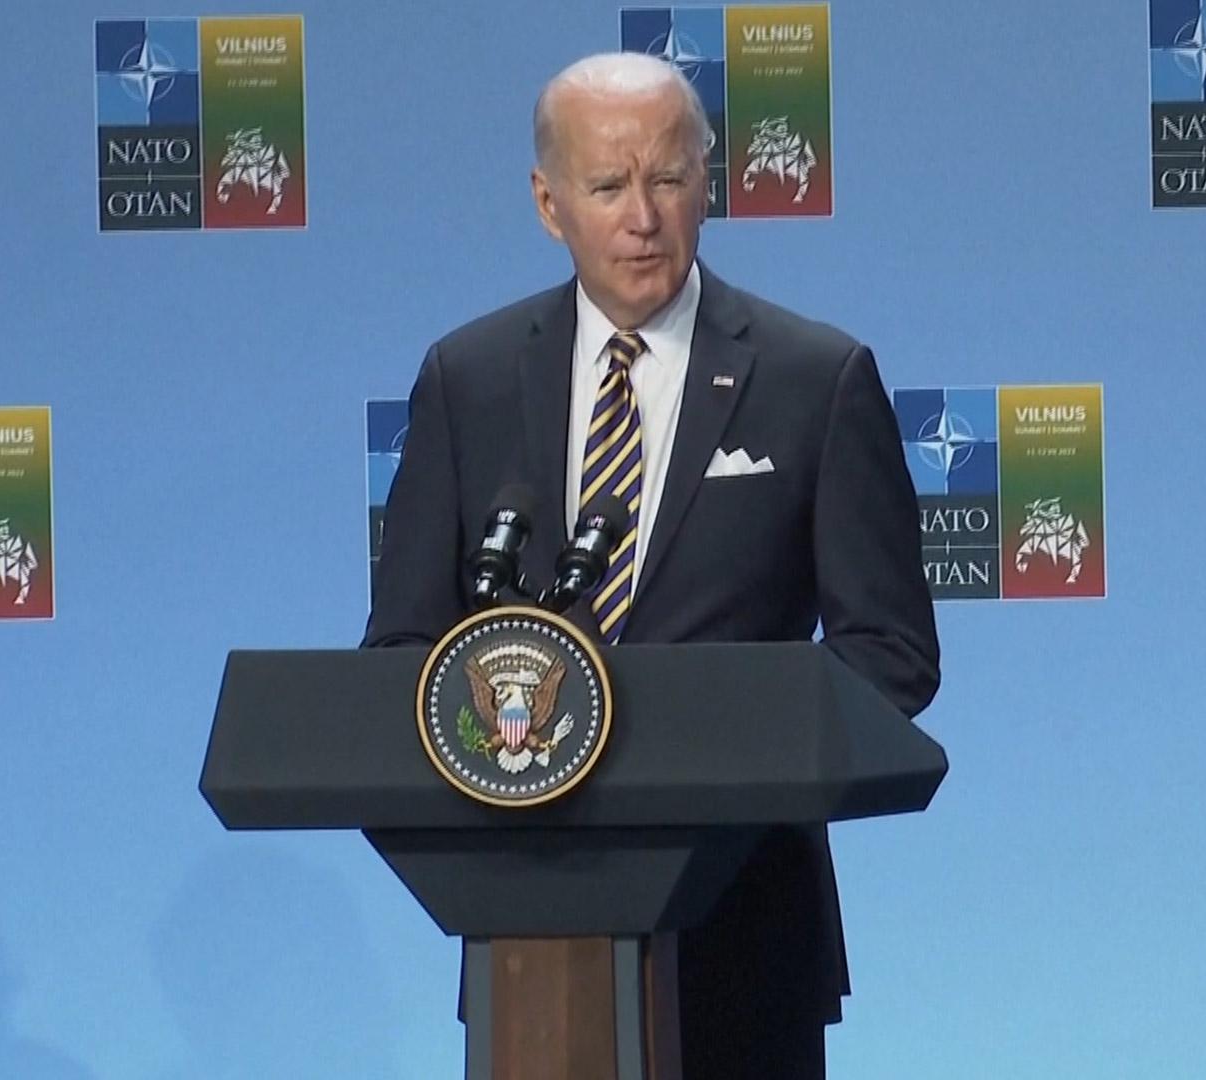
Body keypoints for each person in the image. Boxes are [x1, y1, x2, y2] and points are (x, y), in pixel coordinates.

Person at [364, 51, 939, 1079]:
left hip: (749, 931)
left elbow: (891, 655)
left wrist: (713, 747)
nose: (643, 217)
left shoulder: (816, 379)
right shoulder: (468, 380)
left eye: (668, 179)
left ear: (707, 185)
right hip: (530, 940)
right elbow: (404, 646)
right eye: (607, 186)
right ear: (549, 205)